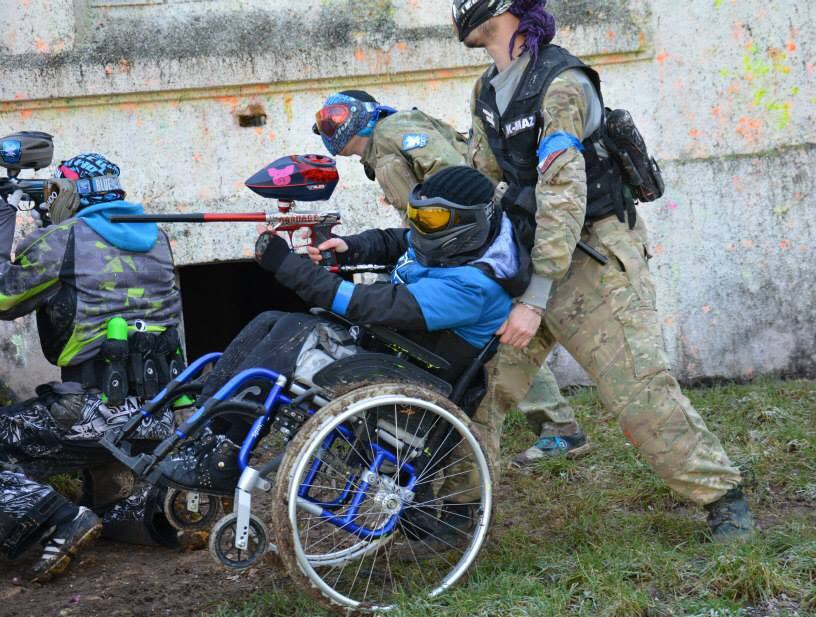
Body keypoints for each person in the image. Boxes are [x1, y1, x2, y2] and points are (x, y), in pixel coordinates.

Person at [451, 0, 755, 539]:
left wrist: (534, 298)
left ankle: (721, 496)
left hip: (593, 258)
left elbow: (566, 194)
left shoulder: (561, 83)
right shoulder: (486, 91)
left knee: (637, 392)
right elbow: (485, 180)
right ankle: (454, 508)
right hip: (530, 259)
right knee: (479, 386)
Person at [158, 165, 529, 494]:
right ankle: (204, 431)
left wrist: (285, 265)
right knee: (272, 321)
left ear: (468, 222)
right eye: (415, 214)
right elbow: (401, 243)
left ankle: (221, 457)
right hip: (393, 350)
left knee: (291, 338)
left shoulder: (474, 286)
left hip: (411, 371)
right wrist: (350, 248)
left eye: (429, 219)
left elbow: (364, 305)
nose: (417, 225)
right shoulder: (471, 243)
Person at [314, 89, 589, 467]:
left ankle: (557, 426)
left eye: (336, 116)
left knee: (501, 346)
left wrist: (453, 249)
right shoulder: (383, 145)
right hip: (450, 248)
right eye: (324, 122)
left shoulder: (394, 133)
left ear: (363, 114)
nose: (329, 126)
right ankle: (555, 424)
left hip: (468, 250)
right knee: (499, 343)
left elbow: (457, 185)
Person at [0, 153, 183, 581]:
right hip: (158, 413)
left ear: (67, 194)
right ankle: (151, 516)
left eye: (52, 193)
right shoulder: (157, 237)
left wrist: (3, 218)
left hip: (92, 413)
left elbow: (4, 299)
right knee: (107, 495)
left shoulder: (65, 238)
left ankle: (55, 519)